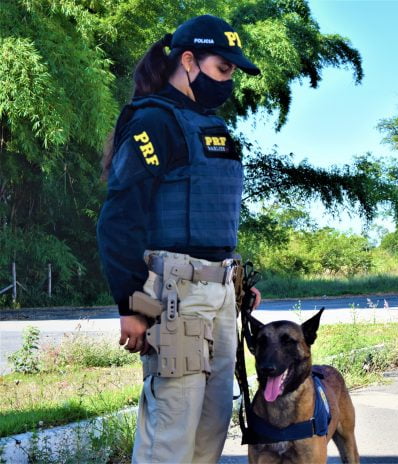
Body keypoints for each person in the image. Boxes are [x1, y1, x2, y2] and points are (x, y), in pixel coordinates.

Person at [97, 14, 261, 463]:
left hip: (220, 295)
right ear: (188, 60)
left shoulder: (209, 127)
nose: (228, 82)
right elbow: (119, 218)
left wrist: (236, 281)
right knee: (170, 434)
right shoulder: (154, 122)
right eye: (223, 69)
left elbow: (210, 223)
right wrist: (133, 306)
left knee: (210, 431)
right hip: (173, 299)